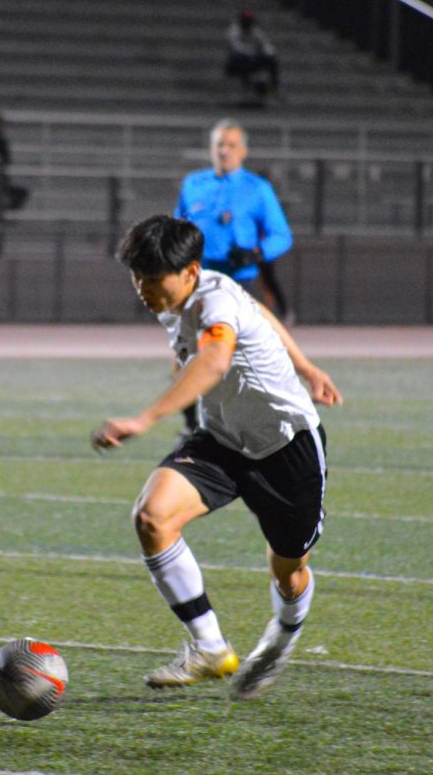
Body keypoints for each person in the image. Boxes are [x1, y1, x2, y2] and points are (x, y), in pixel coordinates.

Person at [91, 215, 341, 700]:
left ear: (190, 271)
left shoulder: (213, 300)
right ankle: (209, 647)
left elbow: (215, 359)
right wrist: (306, 364)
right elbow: (262, 314)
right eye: (136, 276)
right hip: (223, 440)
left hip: (286, 448)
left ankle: (280, 639)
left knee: (288, 570)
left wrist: (145, 418)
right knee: (152, 517)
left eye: (152, 277)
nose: (143, 288)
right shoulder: (183, 296)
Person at [174, 119, 293, 431]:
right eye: (219, 145)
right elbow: (177, 230)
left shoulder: (257, 188)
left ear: (244, 151)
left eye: (230, 145)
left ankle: (260, 427)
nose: (224, 151)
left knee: (251, 359)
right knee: (185, 357)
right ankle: (191, 429)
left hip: (241, 284)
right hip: (199, 284)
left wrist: (255, 253)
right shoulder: (193, 184)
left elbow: (282, 235)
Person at [225, 10, 279, 102]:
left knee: (271, 60)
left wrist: (269, 53)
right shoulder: (234, 30)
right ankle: (248, 90)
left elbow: (265, 45)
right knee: (243, 60)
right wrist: (252, 54)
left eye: (249, 20)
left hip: (252, 59)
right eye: (246, 20)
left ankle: (272, 87)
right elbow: (237, 48)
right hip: (236, 62)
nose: (248, 23)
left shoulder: (255, 31)